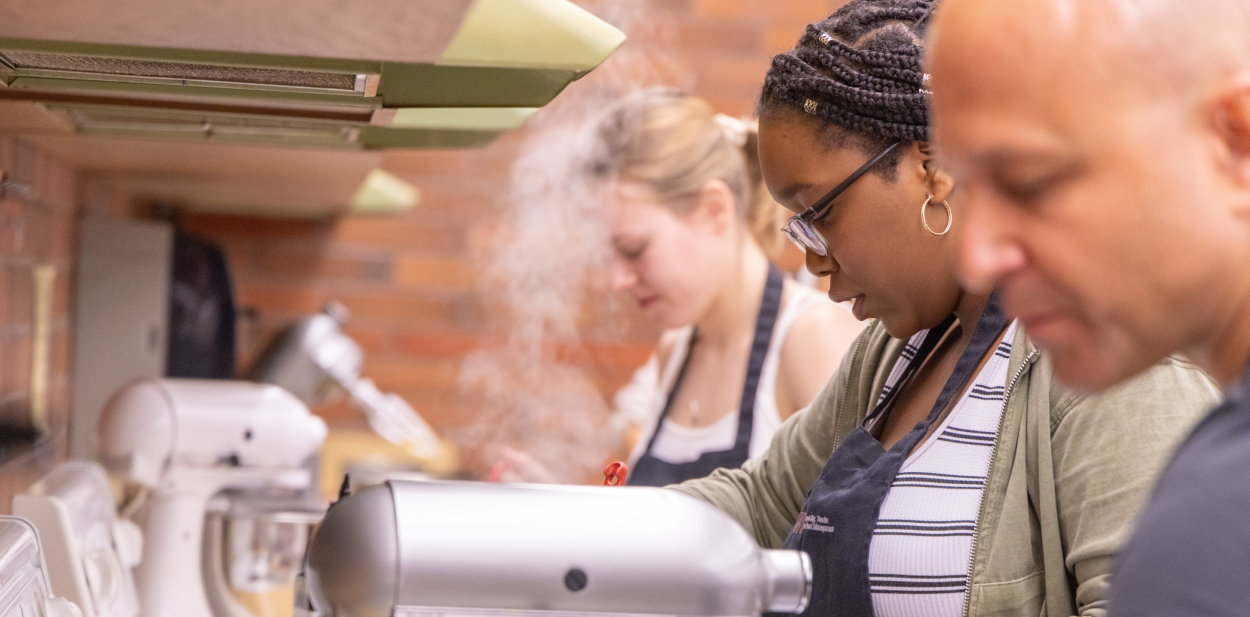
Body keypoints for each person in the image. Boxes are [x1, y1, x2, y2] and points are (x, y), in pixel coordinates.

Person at [669, 2, 1220, 616]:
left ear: (932, 172)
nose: (811, 261)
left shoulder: (1106, 353)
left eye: (819, 214)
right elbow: (758, 503)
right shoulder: (896, 354)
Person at [927, 0, 1250, 613]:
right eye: (966, 188)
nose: (977, 256)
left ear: (1234, 140)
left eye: (1029, 182)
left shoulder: (1221, 527)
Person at [493, 88, 864, 486]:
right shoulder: (675, 350)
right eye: (608, 256)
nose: (617, 281)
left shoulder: (813, 339)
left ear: (714, 209)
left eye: (634, 250)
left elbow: (844, 530)